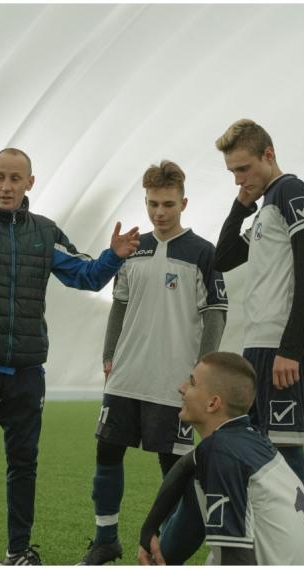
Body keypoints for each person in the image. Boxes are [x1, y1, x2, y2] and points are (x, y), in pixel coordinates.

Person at [0, 147, 140, 565]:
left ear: (30, 183)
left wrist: (113, 256)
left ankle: (19, 551)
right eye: (0, 177)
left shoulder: (45, 232)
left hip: (26, 371)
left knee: (24, 464)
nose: (6, 186)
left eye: (15, 179)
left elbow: (86, 275)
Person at [79, 160, 227, 565]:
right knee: (107, 453)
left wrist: (201, 373)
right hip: (126, 376)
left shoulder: (203, 252)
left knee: (175, 468)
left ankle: (168, 550)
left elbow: (216, 313)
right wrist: (109, 355)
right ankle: (105, 541)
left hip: (173, 381)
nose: (159, 213)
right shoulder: (133, 248)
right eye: (152, 204)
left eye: (167, 204)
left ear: (184, 203)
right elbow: (119, 304)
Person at [213, 119, 304, 494]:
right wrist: (240, 206)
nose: (238, 180)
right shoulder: (265, 209)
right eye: (233, 172)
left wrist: (290, 349)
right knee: (260, 454)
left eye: (244, 169)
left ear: (269, 154)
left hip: (281, 349)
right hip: (259, 347)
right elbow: (223, 258)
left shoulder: (291, 191)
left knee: (285, 456)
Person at [138, 352, 304, 565]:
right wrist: (149, 529)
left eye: (191, 382)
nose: (181, 388)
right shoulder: (248, 439)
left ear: (213, 403)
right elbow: (186, 465)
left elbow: (236, 559)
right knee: (197, 482)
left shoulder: (222, 454)